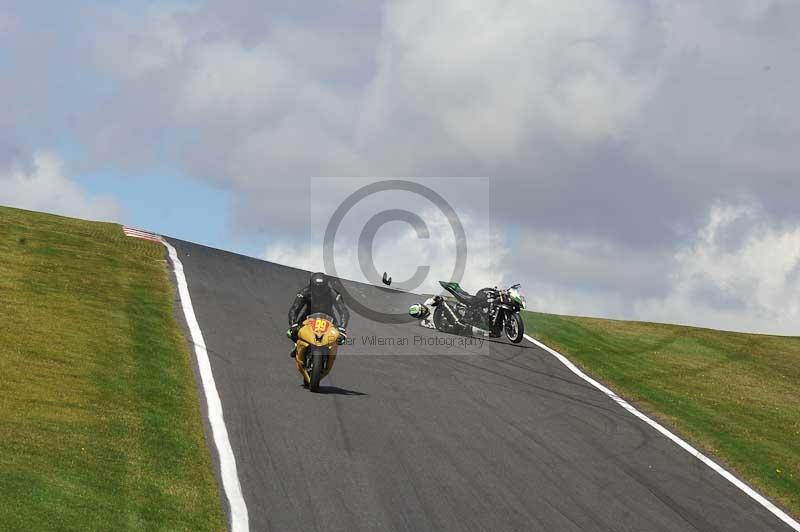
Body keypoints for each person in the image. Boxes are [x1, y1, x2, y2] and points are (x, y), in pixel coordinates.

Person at [287, 272, 350, 358]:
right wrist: (293, 323)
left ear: (326, 286)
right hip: (307, 316)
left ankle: (330, 350)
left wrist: (342, 328)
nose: (318, 291)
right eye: (316, 288)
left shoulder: (333, 293)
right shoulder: (304, 292)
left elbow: (344, 311)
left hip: (329, 317)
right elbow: (294, 309)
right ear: (311, 286)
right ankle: (297, 345)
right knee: (292, 332)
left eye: (321, 288)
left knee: (340, 337)